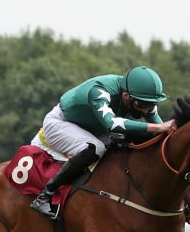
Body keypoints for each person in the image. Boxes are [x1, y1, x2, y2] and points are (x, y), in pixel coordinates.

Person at [29, 66, 177, 217]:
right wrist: (158, 127)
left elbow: (161, 134)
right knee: (96, 148)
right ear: (126, 96)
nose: (146, 111)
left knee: (137, 137)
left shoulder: (140, 97)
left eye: (150, 105)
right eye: (141, 105)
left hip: (94, 129)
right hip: (60, 124)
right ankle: (46, 195)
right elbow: (111, 123)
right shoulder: (100, 91)